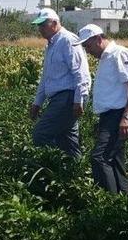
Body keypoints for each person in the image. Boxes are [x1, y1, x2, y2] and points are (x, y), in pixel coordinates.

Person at [74, 24, 128, 194]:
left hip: (120, 114)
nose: (87, 51)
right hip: (110, 116)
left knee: (99, 157)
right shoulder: (106, 58)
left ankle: (109, 201)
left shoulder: (119, 53)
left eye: (88, 46)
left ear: (98, 39)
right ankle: (123, 202)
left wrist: (127, 116)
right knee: (115, 159)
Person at [29, 8, 91, 160]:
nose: (40, 29)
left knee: (40, 134)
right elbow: (46, 77)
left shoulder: (68, 40)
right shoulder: (51, 45)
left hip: (67, 98)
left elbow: (80, 72)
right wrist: (37, 102)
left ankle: (53, 165)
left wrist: (79, 100)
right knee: (68, 141)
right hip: (58, 99)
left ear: (55, 23)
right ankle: (74, 173)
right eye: (39, 26)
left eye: (43, 25)